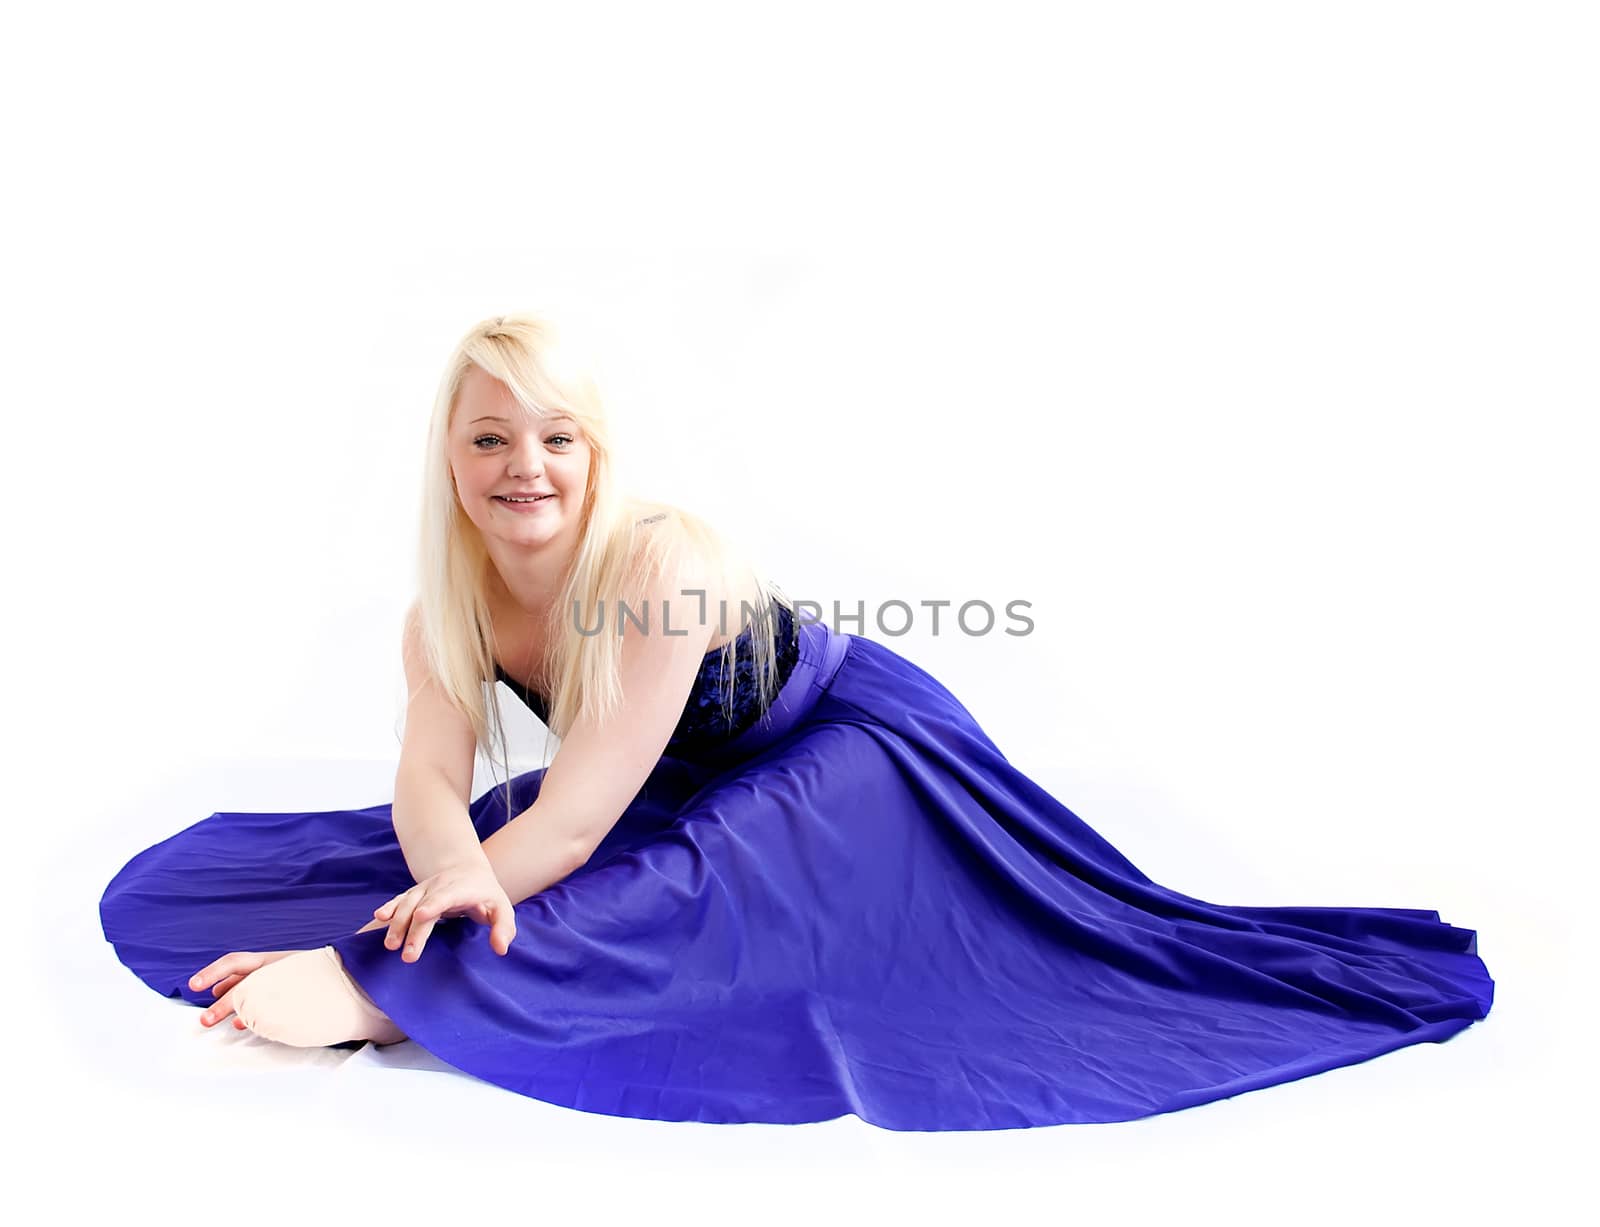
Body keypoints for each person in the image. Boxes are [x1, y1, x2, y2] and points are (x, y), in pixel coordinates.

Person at [101, 312, 1494, 1130]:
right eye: (488, 438)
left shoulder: (662, 565)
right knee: (467, 855)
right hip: (674, 770)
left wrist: (385, 945)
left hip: (852, 766)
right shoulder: (442, 616)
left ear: (598, 452)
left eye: (558, 437)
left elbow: (578, 823)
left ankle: (380, 1001)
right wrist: (448, 867)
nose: (524, 468)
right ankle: (425, 957)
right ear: (448, 458)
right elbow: (426, 775)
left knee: (656, 882)